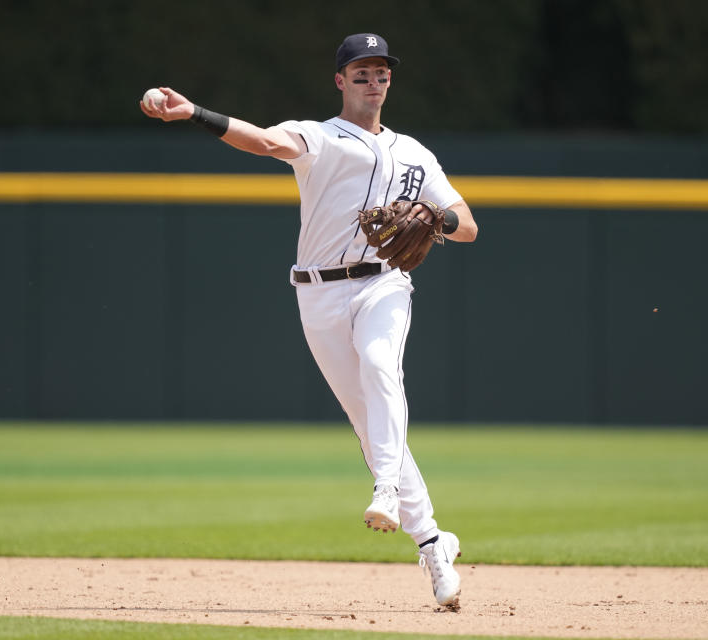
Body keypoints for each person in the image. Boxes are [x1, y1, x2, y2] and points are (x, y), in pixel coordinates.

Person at [140, 33, 479, 603]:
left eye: (381, 72)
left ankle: (387, 492)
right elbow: (266, 143)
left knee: (380, 366)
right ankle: (433, 544)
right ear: (341, 81)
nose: (373, 81)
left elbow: (467, 224)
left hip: (383, 282)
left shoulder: (415, 153)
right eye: (361, 72)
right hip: (317, 294)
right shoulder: (320, 137)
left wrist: (434, 218)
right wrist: (195, 112)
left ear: (390, 81)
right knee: (368, 420)